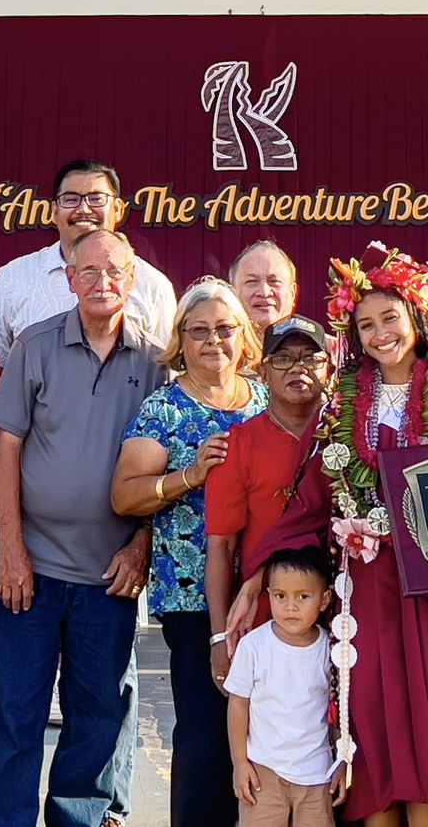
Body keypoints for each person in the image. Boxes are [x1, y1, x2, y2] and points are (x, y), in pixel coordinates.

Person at [229, 241, 428, 827]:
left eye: (390, 318)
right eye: (364, 324)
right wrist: (259, 574)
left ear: (418, 317)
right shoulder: (339, 406)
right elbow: (310, 503)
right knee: (368, 730)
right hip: (362, 592)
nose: (379, 333)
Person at [0, 228, 165, 827]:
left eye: (114, 272)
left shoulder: (157, 360)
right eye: (88, 272)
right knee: (10, 713)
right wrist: (9, 549)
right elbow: (5, 447)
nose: (101, 282)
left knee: (99, 714)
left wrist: (140, 546)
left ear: (132, 280)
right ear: (70, 279)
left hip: (110, 575)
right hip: (30, 568)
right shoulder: (36, 345)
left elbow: (171, 464)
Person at [112, 277, 268, 825]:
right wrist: (189, 474)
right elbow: (125, 494)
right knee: (206, 737)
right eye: (198, 332)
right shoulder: (165, 408)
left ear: (244, 336)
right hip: (193, 596)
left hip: (275, 593)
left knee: (269, 734)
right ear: (181, 340)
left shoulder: (269, 399)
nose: (213, 342)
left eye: (225, 329)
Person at [206, 314, 332, 682]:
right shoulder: (239, 444)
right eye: (283, 359)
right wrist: (219, 636)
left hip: (338, 611)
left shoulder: (346, 438)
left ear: (330, 370)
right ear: (262, 372)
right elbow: (222, 546)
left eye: (311, 358)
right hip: (266, 618)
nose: (298, 368)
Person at [0, 158, 177, 351]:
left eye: (97, 199)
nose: (83, 209)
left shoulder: (153, 287)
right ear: (54, 211)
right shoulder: (12, 278)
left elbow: (166, 369)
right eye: (70, 199)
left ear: (117, 209)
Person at [226, 546, 343, 827]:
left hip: (317, 775)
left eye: (303, 597)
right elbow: (238, 704)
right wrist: (240, 763)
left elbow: (338, 710)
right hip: (262, 772)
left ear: (325, 599)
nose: (290, 606)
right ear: (268, 596)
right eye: (280, 596)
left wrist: (342, 761)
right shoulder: (253, 646)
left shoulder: (332, 649)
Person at [228, 240, 298, 333]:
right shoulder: (216, 345)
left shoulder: (319, 346)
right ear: (232, 293)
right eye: (252, 282)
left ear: (292, 293)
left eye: (274, 281)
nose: (264, 293)